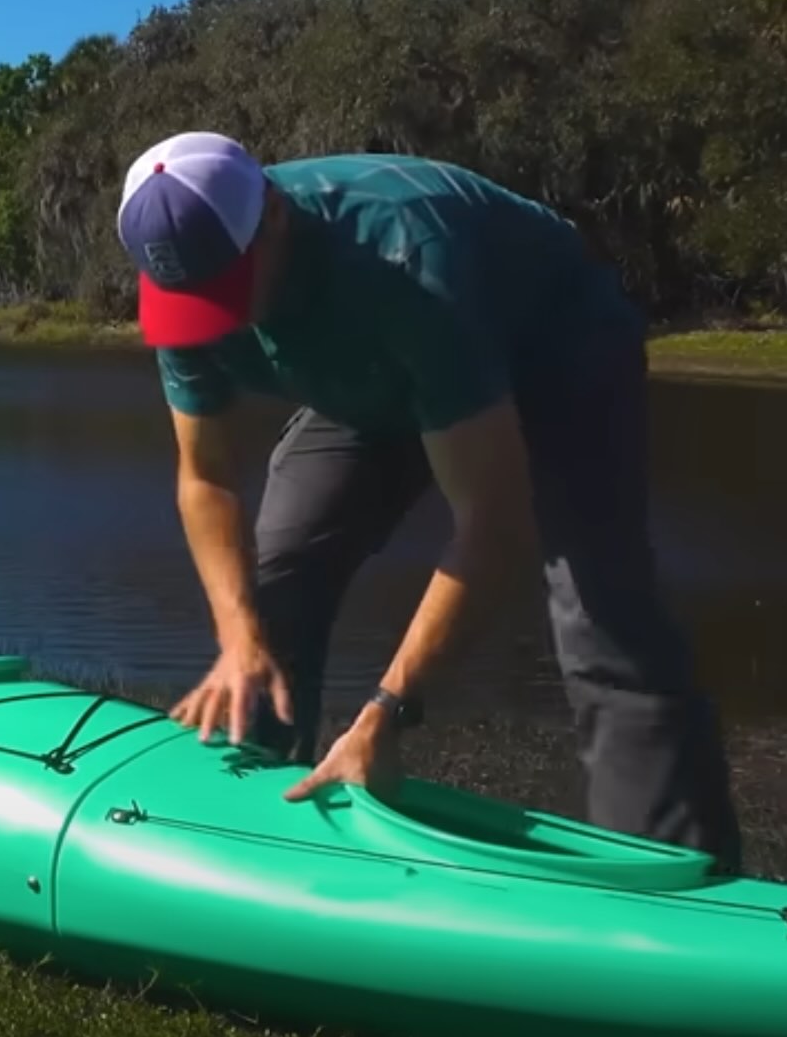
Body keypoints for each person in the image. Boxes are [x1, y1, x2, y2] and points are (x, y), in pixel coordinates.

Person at [114, 130, 744, 871]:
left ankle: (677, 881)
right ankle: (258, 821)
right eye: (196, 300)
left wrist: (388, 710)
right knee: (277, 580)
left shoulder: (406, 259)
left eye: (229, 285)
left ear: (275, 217)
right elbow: (207, 476)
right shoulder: (187, 275)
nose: (217, 318)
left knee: (599, 613)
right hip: (372, 371)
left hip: (550, 352)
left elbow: (493, 524)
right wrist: (236, 634)